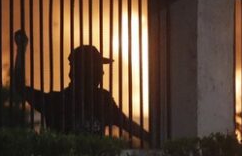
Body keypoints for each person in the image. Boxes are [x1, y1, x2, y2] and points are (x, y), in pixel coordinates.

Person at [13, 29, 149, 141]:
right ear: (85, 71)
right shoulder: (58, 101)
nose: (102, 72)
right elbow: (19, 87)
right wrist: (21, 49)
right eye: (97, 67)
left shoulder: (103, 100)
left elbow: (129, 125)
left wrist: (154, 139)